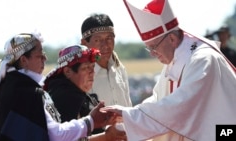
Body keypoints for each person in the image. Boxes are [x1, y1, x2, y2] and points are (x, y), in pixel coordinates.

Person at [101, 0, 236, 141]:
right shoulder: (173, 60)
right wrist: (127, 118)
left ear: (171, 38)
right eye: (148, 48)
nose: (152, 53)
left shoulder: (203, 60)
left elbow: (178, 108)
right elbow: (159, 100)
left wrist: (131, 116)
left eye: (153, 47)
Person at [0, 33, 110, 141]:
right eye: (40, 55)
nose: (45, 58)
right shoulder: (29, 94)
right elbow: (57, 135)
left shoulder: (13, 87)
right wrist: (91, 121)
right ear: (24, 60)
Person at [43, 45, 126, 141]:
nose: (92, 72)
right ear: (68, 72)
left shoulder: (76, 92)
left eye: (93, 67)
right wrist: (106, 137)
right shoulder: (65, 97)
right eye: (86, 68)